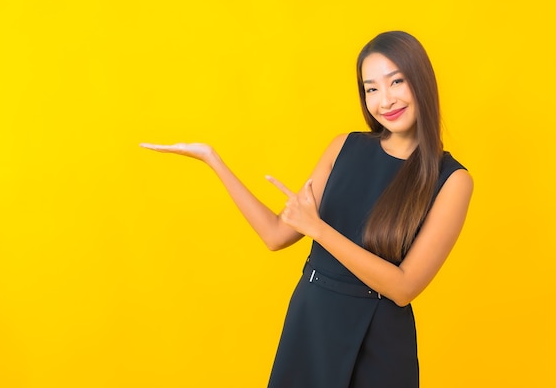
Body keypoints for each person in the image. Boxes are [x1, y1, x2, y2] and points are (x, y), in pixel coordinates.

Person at [140, 31, 473, 388]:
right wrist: (213, 160)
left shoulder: (452, 180)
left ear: (420, 80)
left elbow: (404, 287)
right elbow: (275, 235)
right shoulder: (344, 147)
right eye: (371, 88)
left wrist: (320, 230)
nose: (384, 99)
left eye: (396, 82)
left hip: (379, 340)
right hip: (312, 320)